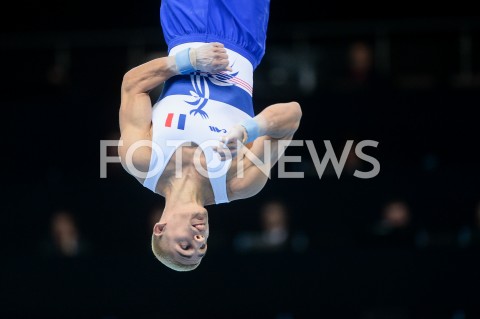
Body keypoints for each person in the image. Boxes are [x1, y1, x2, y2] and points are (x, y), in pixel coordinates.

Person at [118, 0, 302, 271]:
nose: (199, 238)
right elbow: (292, 116)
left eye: (186, 246)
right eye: (201, 247)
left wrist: (188, 60)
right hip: (245, 34)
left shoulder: (141, 160)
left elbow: (132, 86)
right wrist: (249, 129)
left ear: (160, 228)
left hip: (186, 25)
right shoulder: (238, 183)